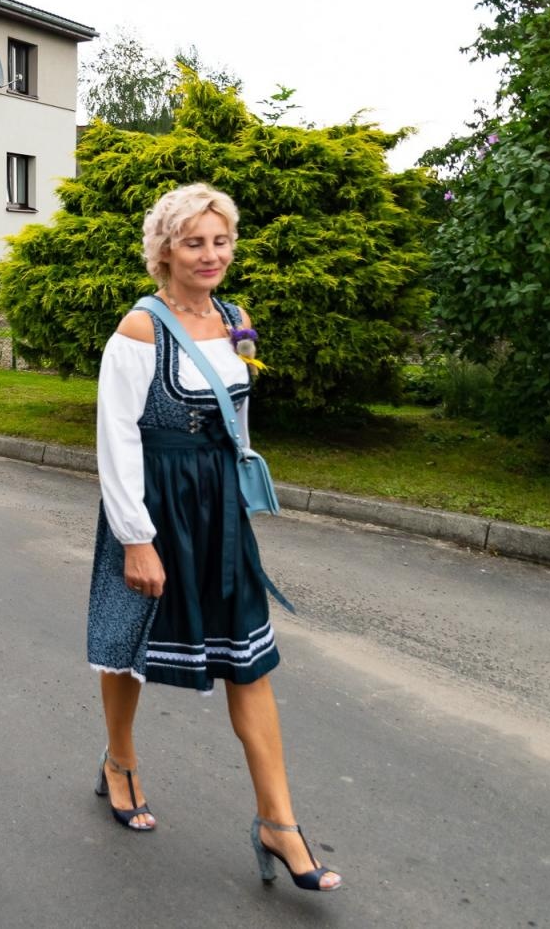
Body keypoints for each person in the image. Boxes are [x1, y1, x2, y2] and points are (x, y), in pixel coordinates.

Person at [87, 183, 342, 892]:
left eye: (221, 241)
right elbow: (116, 438)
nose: (211, 255)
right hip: (154, 504)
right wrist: (136, 537)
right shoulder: (140, 330)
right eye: (194, 242)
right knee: (129, 638)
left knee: (249, 658)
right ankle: (119, 761)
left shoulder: (235, 318)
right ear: (164, 250)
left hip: (218, 509)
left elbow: (238, 414)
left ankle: (279, 823)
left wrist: (237, 484)